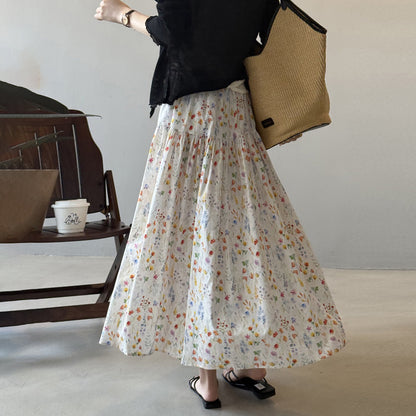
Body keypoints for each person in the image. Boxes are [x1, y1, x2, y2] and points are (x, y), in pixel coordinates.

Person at [95, 0, 347, 409]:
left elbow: (172, 32)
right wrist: (288, 105)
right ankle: (253, 366)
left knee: (197, 237)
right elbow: (275, 39)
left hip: (188, 119)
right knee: (246, 233)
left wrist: (122, 15)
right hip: (235, 111)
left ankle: (208, 380)